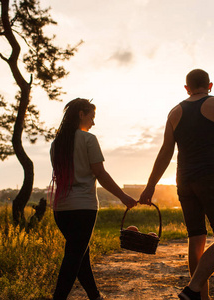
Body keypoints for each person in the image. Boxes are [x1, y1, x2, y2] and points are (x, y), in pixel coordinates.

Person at [139, 69, 214, 300]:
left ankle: (202, 298)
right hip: (210, 178)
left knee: (196, 237)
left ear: (186, 88)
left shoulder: (174, 112)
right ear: (210, 85)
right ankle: (193, 290)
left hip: (183, 181)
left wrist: (150, 185)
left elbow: (165, 152)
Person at [50, 98, 137, 300]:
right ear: (81, 114)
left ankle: (95, 296)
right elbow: (100, 173)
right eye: (92, 117)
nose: (93, 122)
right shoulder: (88, 139)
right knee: (74, 255)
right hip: (83, 207)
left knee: (80, 254)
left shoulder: (57, 144)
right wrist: (123, 196)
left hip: (61, 209)